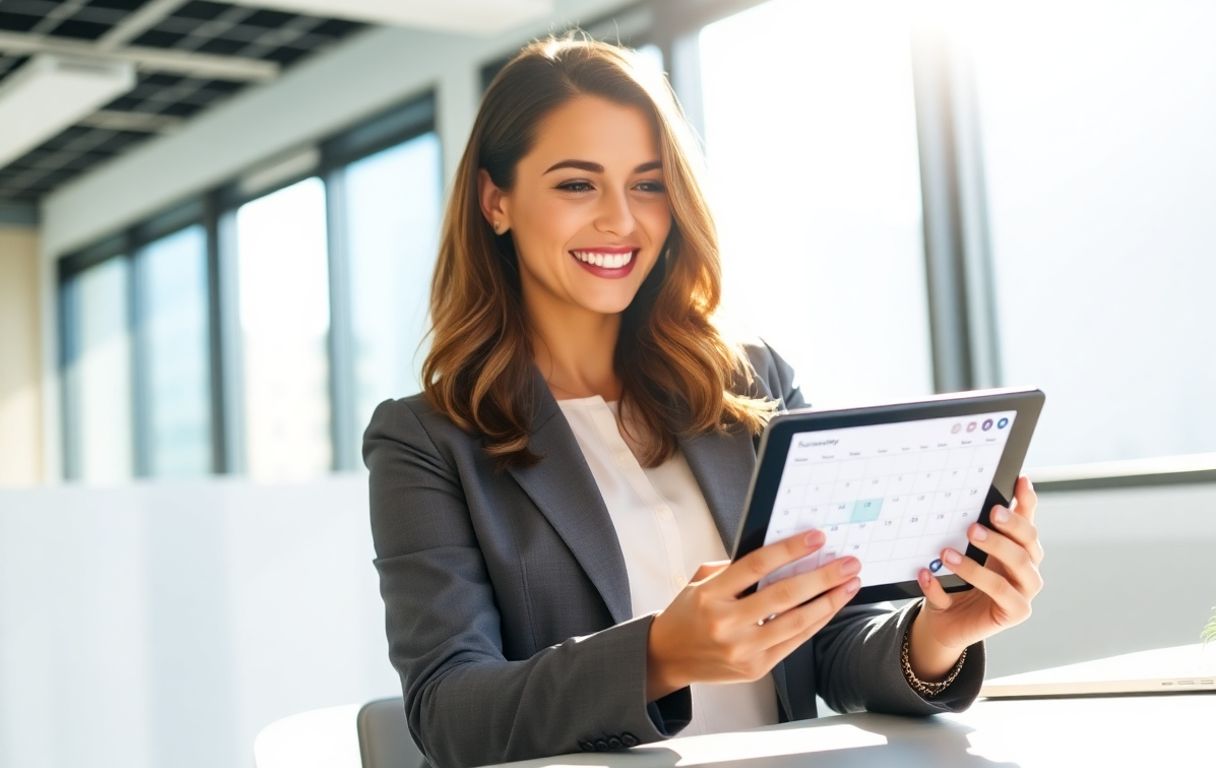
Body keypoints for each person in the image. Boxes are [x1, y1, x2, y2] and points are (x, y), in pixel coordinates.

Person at [363, 36, 1044, 768]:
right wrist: (657, 656)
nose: (622, 221)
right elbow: (449, 712)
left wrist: (938, 634)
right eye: (576, 185)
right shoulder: (426, 441)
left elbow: (833, 640)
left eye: (648, 184)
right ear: (496, 201)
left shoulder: (751, 385)